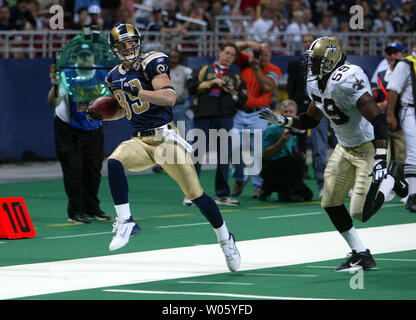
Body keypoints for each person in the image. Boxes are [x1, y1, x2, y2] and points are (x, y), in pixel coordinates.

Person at [86, 23, 241, 272]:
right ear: (114, 49)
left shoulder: (152, 62)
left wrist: (140, 91)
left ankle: (225, 238)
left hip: (166, 139)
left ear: (138, 42)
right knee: (114, 161)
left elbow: (168, 97)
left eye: (131, 43)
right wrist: (101, 114)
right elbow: (122, 108)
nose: (128, 48)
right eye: (122, 45)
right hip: (140, 140)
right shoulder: (112, 75)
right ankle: (126, 221)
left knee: (196, 195)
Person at [259, 37, 408, 272]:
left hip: (368, 146)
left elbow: (378, 119)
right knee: (330, 202)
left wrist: (380, 157)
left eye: (316, 61)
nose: (311, 66)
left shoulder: (348, 78)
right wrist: (283, 120)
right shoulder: (315, 82)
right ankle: (361, 253)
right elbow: (309, 119)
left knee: (360, 212)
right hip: (344, 147)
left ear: (330, 62)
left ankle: (392, 178)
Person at [47, 41, 111, 224]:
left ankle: (93, 208)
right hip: (68, 129)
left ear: (93, 57)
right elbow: (52, 102)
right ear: (76, 58)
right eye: (81, 56)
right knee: (74, 172)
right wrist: (55, 86)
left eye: (88, 56)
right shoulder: (66, 74)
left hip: (93, 128)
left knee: (94, 171)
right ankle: (75, 212)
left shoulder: (101, 73)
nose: (85, 59)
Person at [188, 42, 248, 207]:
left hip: (224, 117)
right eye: (227, 52)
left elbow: (242, 99)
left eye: (232, 55)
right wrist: (211, 83)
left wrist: (231, 92)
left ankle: (222, 194)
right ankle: (192, 194)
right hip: (203, 115)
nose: (229, 56)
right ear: (219, 52)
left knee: (224, 156)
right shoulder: (203, 70)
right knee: (197, 154)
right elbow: (191, 88)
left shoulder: (235, 77)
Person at [231, 40, 281, 199]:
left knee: (257, 151)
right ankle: (239, 178)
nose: (263, 58)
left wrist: (256, 67)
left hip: (260, 114)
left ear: (270, 56)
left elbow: (267, 87)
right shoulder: (246, 60)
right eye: (260, 54)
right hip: (240, 112)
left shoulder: (274, 69)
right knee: (234, 146)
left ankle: (258, 185)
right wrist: (248, 43)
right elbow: (230, 48)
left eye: (266, 55)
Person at [258, 100, 313, 202]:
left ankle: (272, 188)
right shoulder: (273, 129)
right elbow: (265, 155)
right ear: (281, 113)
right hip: (271, 166)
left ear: (295, 114)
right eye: (286, 112)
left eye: (291, 112)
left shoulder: (294, 128)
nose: (288, 114)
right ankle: (282, 192)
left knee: (308, 195)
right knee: (295, 160)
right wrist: (281, 142)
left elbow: (293, 149)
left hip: (286, 164)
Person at [375, 42, 407, 202]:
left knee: (404, 155)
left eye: (396, 53)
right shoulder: (381, 74)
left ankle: (407, 188)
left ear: (403, 54)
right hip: (385, 123)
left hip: (405, 119)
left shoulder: (410, 71)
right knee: (385, 156)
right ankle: (388, 188)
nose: (392, 56)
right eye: (389, 53)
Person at [386, 43, 416, 212]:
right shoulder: (406, 63)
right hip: (410, 109)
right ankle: (412, 195)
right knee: (413, 151)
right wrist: (390, 114)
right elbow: (393, 90)